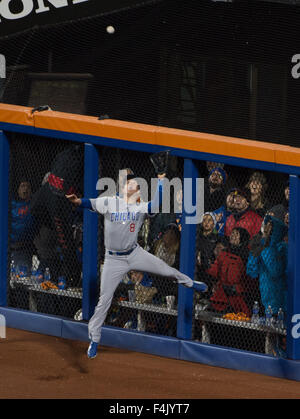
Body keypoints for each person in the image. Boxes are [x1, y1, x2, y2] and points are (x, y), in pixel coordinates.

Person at [66, 171, 207, 359]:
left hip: (134, 253)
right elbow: (89, 203)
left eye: (136, 186)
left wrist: (161, 181)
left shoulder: (140, 207)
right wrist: (77, 201)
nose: (133, 188)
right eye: (130, 185)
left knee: (166, 270)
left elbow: (155, 205)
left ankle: (190, 282)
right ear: (123, 188)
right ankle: (94, 340)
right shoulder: (110, 201)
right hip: (113, 260)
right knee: (104, 300)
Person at [30, 145, 84, 287]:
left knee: (64, 240)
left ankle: (73, 277)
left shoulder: (84, 160)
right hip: (49, 191)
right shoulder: (66, 152)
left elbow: (80, 186)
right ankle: (69, 273)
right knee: (32, 209)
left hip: (60, 199)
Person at [246, 215, 288, 316]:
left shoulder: (282, 248)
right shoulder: (263, 246)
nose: (266, 229)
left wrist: (264, 246)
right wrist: (255, 251)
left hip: (281, 303)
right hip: (265, 301)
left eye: (270, 226)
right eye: (266, 225)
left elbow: (275, 270)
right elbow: (252, 272)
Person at [207, 227, 251, 316]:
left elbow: (249, 280)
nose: (233, 236)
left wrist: (237, 288)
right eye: (232, 233)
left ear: (242, 238)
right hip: (222, 292)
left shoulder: (246, 256)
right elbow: (214, 271)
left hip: (238, 294)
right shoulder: (224, 253)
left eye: (236, 234)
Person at [11, 180, 35, 273]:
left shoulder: (33, 204)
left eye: (28, 186)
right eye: (22, 186)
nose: (25, 189)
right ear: (18, 190)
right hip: (10, 247)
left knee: (23, 276)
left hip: (25, 248)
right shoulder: (11, 205)